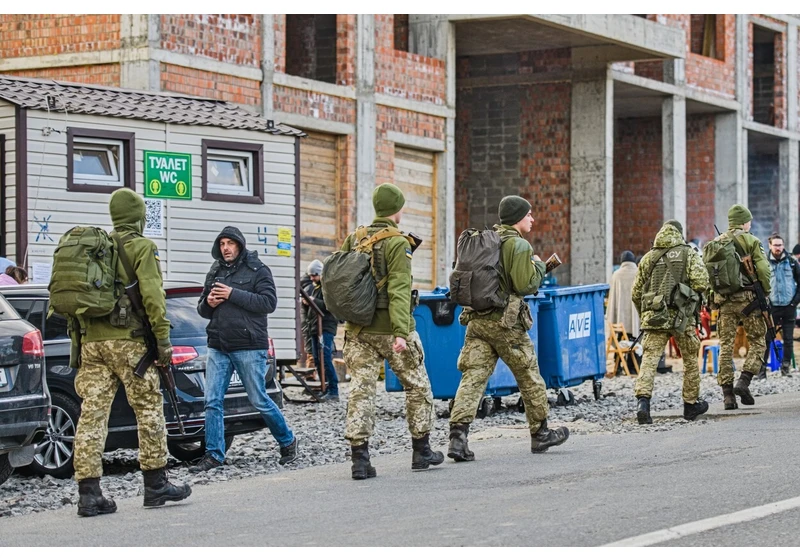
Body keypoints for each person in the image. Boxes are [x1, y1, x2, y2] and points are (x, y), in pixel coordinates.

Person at [72, 189, 190, 517]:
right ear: (138, 216)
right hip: (130, 344)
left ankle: (89, 494)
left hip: (92, 344)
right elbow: (153, 298)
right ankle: (155, 485)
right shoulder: (142, 247)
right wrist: (163, 342)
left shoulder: (95, 250)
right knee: (149, 409)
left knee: (92, 415)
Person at [448, 195, 569, 461]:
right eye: (529, 215)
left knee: (472, 378)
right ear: (518, 217)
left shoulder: (486, 241)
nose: (532, 219)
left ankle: (458, 437)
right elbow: (526, 285)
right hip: (505, 325)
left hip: (477, 322)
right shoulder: (518, 245)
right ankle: (541, 433)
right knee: (529, 375)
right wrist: (538, 265)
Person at [340, 183, 443, 479]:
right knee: (418, 385)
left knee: (361, 389)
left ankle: (359, 459)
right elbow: (399, 289)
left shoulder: (355, 237)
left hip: (357, 330)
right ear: (397, 209)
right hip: (390, 328)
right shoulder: (398, 243)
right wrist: (400, 332)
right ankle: (421, 450)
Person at [190, 226, 299, 472]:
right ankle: (214, 455)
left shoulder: (258, 270)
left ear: (239, 245)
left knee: (258, 399)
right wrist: (208, 303)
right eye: (222, 244)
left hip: (249, 346)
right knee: (212, 401)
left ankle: (288, 440)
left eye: (230, 243)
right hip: (218, 345)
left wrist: (232, 294)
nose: (225, 248)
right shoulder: (215, 270)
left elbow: (268, 303)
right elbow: (202, 310)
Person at [630, 220, 710, 424]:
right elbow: (701, 282)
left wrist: (645, 314)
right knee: (690, 358)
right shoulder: (688, 253)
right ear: (679, 234)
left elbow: (636, 293)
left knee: (649, 360)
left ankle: (643, 404)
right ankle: (690, 405)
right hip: (681, 317)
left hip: (654, 316)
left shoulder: (648, 258)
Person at [712, 204, 772, 409]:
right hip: (749, 299)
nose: (750, 223)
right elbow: (763, 269)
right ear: (744, 222)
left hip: (724, 301)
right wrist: (766, 291)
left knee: (725, 347)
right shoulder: (751, 240)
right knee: (758, 341)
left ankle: (728, 396)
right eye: (749, 220)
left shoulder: (716, 243)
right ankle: (744, 381)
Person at [303, 259, 340, 400]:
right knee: (318, 359)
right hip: (315, 327)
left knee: (325, 358)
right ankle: (324, 387)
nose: (312, 278)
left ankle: (333, 389)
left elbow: (330, 306)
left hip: (326, 326)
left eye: (314, 275)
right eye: (311, 275)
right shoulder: (314, 288)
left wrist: (313, 301)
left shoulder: (329, 288)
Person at [766, 234, 800, 377]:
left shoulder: (792, 262)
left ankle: (785, 368)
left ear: (783, 245)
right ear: (770, 246)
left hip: (788, 306)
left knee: (788, 339)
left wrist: (794, 303)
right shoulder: (764, 263)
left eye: (780, 245)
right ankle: (762, 370)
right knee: (767, 339)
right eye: (775, 245)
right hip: (772, 307)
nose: (778, 248)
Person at [607, 250, 640, 340]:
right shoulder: (638, 273)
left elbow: (612, 298)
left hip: (619, 319)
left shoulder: (616, 275)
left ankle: (618, 352)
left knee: (620, 336)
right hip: (635, 316)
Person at [299, 266, 315, 369]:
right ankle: (311, 374)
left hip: (306, 323)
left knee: (310, 348)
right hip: (310, 323)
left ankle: (311, 373)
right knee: (312, 350)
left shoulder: (305, 287)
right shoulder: (310, 288)